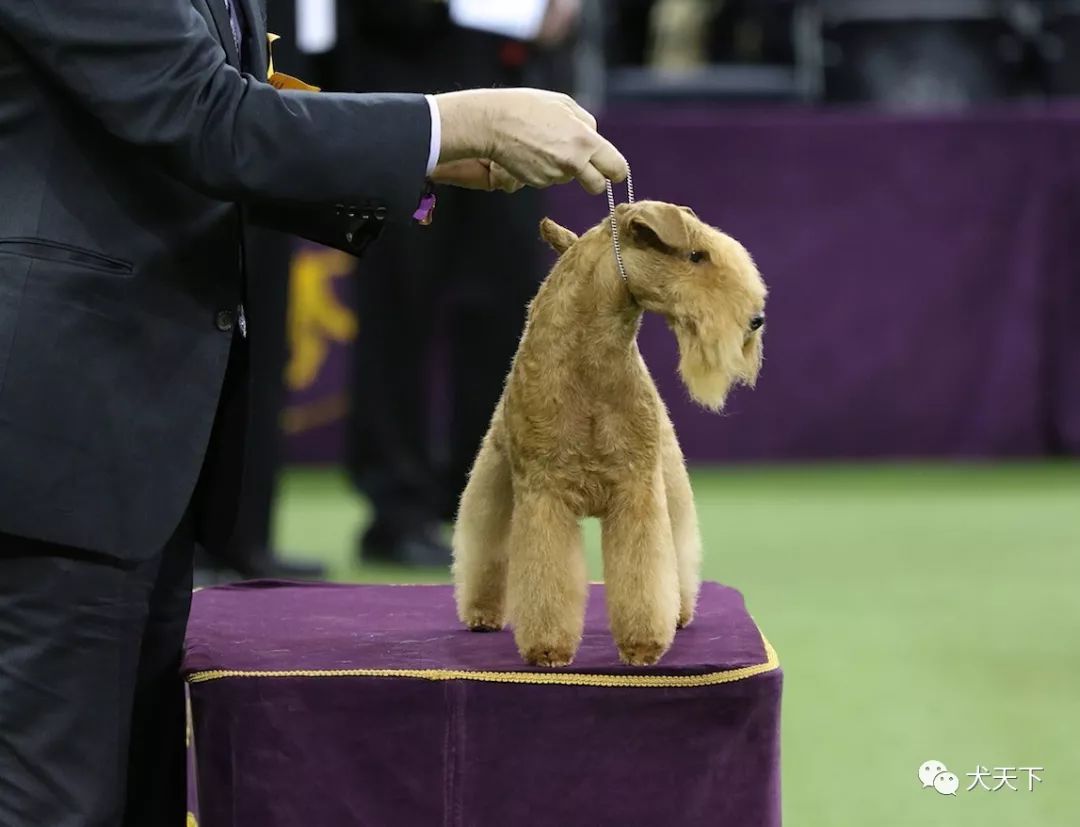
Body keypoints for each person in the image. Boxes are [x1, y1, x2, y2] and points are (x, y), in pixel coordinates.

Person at [0, 1, 627, 825]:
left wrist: (425, 157)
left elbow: (198, 111)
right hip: (58, 435)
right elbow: (205, 117)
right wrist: (446, 122)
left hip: (123, 443)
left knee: (129, 790)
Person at [337, 3, 580, 566]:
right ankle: (395, 510)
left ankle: (484, 504)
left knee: (505, 309)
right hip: (405, 73)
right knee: (398, 304)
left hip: (510, 71)